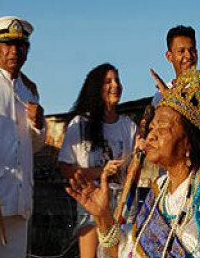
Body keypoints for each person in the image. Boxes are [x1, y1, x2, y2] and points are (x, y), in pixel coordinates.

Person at [66, 68, 200, 258]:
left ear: (188, 142)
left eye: (163, 126)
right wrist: (102, 216)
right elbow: (122, 252)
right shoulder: (158, 193)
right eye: (152, 127)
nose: (151, 135)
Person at [58, 63, 137, 258]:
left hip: (123, 203)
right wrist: (101, 173)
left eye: (117, 80)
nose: (115, 85)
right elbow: (65, 168)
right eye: (108, 81)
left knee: (122, 252)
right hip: (92, 199)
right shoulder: (80, 125)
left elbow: (136, 166)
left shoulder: (128, 126)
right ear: (96, 87)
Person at [0, 16, 45, 257]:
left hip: (19, 197)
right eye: (8, 44)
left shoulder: (30, 89)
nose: (14, 50)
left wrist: (38, 124)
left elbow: (34, 146)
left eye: (21, 45)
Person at [150, 25, 200, 107]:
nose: (189, 56)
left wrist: (170, 94)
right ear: (169, 56)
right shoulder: (160, 95)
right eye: (181, 51)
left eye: (192, 50)